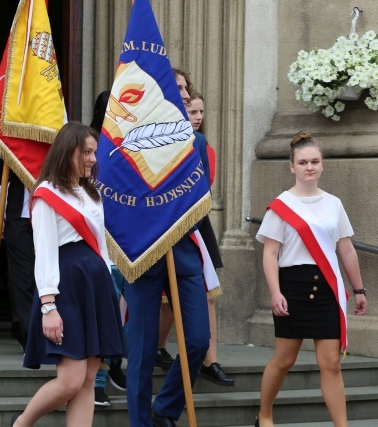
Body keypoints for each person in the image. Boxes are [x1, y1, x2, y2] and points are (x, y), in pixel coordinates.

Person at [12, 122, 125, 427]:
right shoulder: (47, 193)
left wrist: (111, 288)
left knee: (88, 379)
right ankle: (22, 423)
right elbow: (45, 252)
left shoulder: (91, 192)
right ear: (68, 152)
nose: (92, 159)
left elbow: (101, 244)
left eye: (94, 152)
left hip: (95, 284)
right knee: (71, 380)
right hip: (66, 287)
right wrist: (48, 306)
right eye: (86, 152)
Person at [254, 131, 368, 427]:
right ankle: (264, 415)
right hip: (292, 286)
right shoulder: (281, 205)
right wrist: (275, 292)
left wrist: (358, 289)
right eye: (303, 162)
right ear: (292, 166)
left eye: (315, 161)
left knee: (331, 363)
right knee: (284, 360)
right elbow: (270, 254)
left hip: (328, 288)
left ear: (322, 165)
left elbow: (346, 248)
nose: (309, 167)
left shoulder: (334, 203)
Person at [125, 69, 211, 427]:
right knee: (143, 350)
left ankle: (165, 409)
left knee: (198, 340)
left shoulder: (197, 144)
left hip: (184, 250)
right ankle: (140, 422)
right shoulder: (130, 139)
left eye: (185, 89)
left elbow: (201, 197)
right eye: (174, 88)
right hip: (144, 252)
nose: (184, 94)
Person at [156, 91, 234, 387]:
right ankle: (158, 346)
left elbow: (202, 189)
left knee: (208, 293)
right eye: (192, 112)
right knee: (164, 300)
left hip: (195, 227)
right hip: (163, 229)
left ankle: (209, 360)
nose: (198, 117)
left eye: (201, 112)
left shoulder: (201, 145)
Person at [90, 90, 128, 406]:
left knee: (127, 314)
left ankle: (116, 365)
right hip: (99, 244)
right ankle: (97, 381)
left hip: (132, 241)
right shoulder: (89, 148)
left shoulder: (137, 145)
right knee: (105, 312)